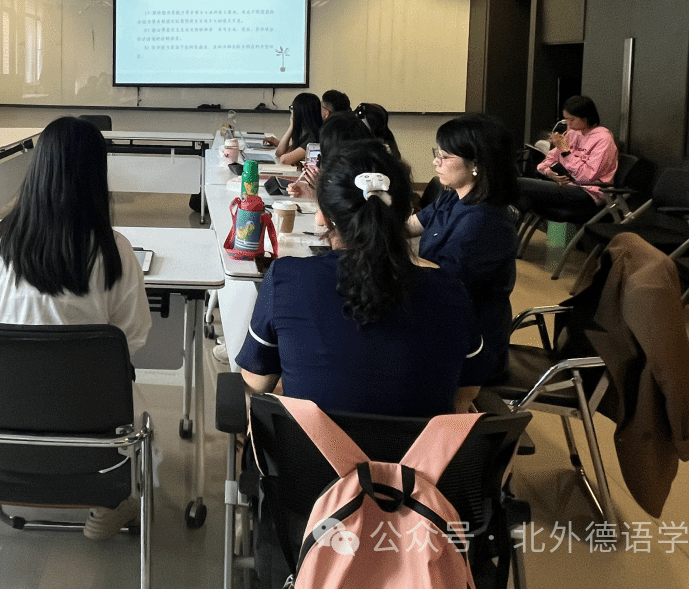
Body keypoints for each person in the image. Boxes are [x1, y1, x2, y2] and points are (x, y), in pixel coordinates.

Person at [0, 116, 150, 540]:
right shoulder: (113, 250)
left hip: (2, 422)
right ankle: (111, 501)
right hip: (90, 431)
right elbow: (130, 340)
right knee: (135, 406)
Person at [236, 140, 482, 417]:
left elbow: (256, 383)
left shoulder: (287, 279)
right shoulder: (451, 291)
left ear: (325, 215)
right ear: (407, 212)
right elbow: (466, 394)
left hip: (307, 445)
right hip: (421, 446)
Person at [408, 114, 518, 386]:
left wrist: (395, 253)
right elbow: (409, 226)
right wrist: (360, 216)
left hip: (471, 346)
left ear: (476, 164)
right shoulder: (453, 198)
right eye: (437, 153)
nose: (436, 162)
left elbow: (444, 284)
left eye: (445, 156)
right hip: (442, 320)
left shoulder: (484, 221)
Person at [517, 95, 618, 213]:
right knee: (522, 195)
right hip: (566, 185)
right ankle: (511, 221)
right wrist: (549, 172)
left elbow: (586, 177)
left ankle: (509, 221)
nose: (568, 124)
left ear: (586, 117)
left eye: (572, 120)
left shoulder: (603, 139)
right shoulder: (573, 133)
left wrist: (566, 152)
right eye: (566, 119)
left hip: (588, 192)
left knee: (519, 184)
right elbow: (544, 163)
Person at [286, 111, 372, 199]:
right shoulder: (350, 172)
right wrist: (309, 191)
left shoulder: (365, 183)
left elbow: (340, 205)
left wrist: (320, 188)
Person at [267, 92, 323, 165]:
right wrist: (292, 127)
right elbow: (279, 152)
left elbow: (284, 160)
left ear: (300, 112)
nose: (291, 112)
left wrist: (292, 124)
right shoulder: (305, 132)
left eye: (292, 108)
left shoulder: (313, 138)